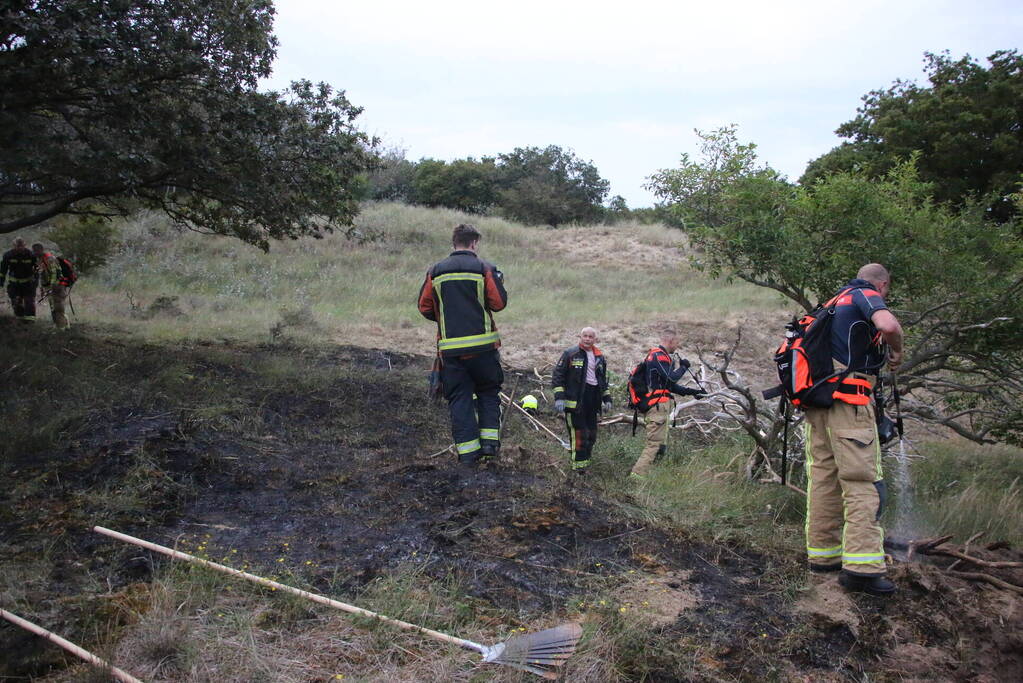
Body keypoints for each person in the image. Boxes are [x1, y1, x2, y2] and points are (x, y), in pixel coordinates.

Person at [804, 263, 904, 597]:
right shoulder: (865, 294)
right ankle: (862, 570)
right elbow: (888, 325)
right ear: (884, 284)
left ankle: (823, 557)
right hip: (849, 402)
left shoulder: (833, 302)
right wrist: (897, 348)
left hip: (818, 403)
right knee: (861, 481)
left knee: (823, 477)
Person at [418, 224, 508, 466]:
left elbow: (425, 307)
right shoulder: (484, 268)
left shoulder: (435, 271)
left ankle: (468, 455)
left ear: (454, 242)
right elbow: (498, 303)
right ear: (474, 244)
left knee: (460, 398)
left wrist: (448, 316)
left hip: (451, 351)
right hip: (484, 348)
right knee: (488, 392)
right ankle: (489, 446)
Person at [630, 329, 706, 479]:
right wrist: (683, 367)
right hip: (657, 406)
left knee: (661, 446)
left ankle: (651, 476)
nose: (678, 346)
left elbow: (669, 387)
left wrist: (693, 391)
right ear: (670, 341)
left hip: (662, 405)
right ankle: (636, 477)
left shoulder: (664, 357)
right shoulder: (658, 356)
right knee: (654, 444)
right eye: (677, 342)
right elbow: (671, 379)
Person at [552, 327, 612, 473]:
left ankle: (585, 464)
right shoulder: (570, 354)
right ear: (580, 337)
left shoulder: (599, 357)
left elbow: (602, 380)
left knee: (591, 435)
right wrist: (559, 398)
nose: (587, 339)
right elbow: (557, 376)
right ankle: (578, 469)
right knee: (579, 435)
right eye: (585, 336)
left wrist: (607, 398)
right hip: (575, 404)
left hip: (593, 402)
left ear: (595, 339)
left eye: (590, 337)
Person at [32, 243, 71, 330]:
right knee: (53, 307)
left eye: (36, 251)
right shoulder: (40, 259)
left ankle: (61, 327)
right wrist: (42, 288)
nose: (35, 253)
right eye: (34, 251)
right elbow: (42, 274)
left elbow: (54, 273)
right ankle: (62, 325)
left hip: (57, 286)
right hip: (49, 287)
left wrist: (52, 285)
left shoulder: (49, 258)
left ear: (41, 250)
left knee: (57, 307)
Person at [0, 237, 38, 322]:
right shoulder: (8, 255)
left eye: (22, 246)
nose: (20, 248)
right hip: (14, 284)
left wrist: (36, 282)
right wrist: (1, 281)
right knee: (16, 303)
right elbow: (3, 270)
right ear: (14, 246)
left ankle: (30, 322)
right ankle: (20, 321)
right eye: (18, 246)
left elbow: (37, 269)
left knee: (29, 302)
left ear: (25, 245)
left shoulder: (31, 255)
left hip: (28, 284)